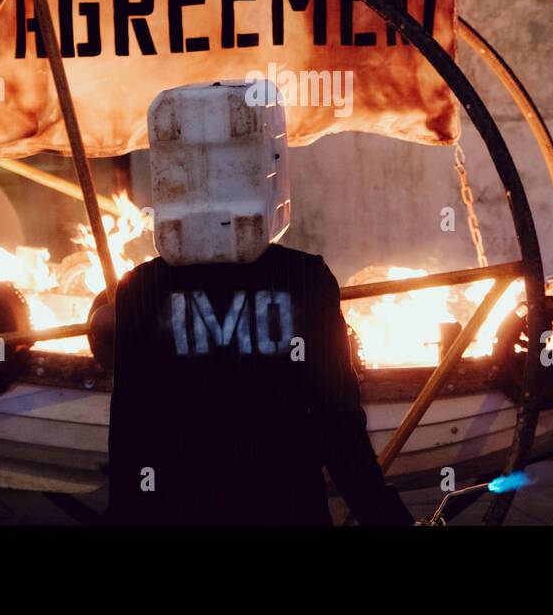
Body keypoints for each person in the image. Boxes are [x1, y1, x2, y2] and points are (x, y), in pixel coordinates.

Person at [91, 81, 413, 526]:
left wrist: (123, 513)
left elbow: (131, 427)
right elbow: (337, 420)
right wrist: (383, 517)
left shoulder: (141, 288)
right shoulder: (305, 279)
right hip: (286, 508)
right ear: (270, 165)